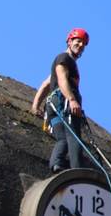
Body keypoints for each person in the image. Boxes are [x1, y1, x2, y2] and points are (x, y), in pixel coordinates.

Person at [31, 28, 89, 173]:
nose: (81, 45)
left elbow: (46, 84)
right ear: (69, 41)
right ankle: (78, 171)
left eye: (83, 43)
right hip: (64, 103)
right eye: (78, 41)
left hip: (54, 107)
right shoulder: (64, 58)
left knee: (62, 139)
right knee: (74, 136)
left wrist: (35, 105)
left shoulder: (63, 61)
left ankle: (57, 164)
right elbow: (62, 80)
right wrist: (72, 99)